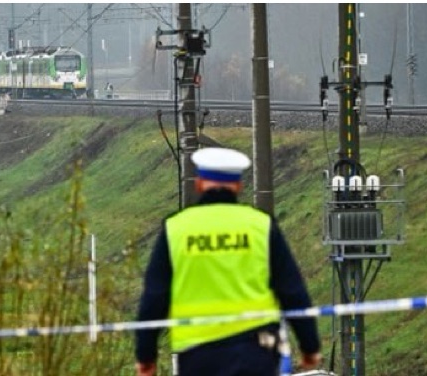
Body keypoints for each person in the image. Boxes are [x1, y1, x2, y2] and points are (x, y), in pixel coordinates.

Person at [135, 147, 322, 376]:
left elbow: (155, 297)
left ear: (199, 183)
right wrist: (309, 346)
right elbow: (292, 290)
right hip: (256, 351)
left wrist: (146, 355)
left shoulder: (176, 228)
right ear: (238, 186)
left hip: (198, 354)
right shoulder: (260, 226)